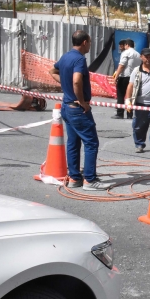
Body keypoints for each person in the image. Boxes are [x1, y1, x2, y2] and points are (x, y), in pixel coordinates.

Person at [48, 30, 113, 191]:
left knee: (73, 142)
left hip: (66, 107)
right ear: (84, 42)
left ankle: (75, 178)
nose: (90, 45)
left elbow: (52, 71)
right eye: (89, 42)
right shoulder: (79, 59)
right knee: (91, 142)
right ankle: (90, 180)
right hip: (77, 109)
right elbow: (77, 81)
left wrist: (65, 85)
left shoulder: (66, 56)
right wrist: (83, 102)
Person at [112, 39, 141, 119]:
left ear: (127, 45)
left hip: (125, 77)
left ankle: (120, 113)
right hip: (134, 78)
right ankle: (129, 114)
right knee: (130, 96)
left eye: (125, 45)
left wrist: (116, 76)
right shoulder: (138, 54)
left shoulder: (126, 53)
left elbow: (122, 65)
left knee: (120, 95)